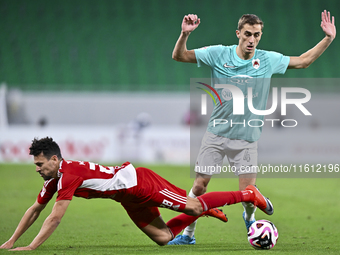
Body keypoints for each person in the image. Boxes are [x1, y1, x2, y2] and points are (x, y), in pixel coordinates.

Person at [168, 10, 336, 245]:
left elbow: (304, 61)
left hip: (247, 138)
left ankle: (250, 222)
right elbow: (179, 56)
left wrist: (328, 38)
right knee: (199, 185)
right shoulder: (219, 54)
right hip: (216, 135)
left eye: (257, 35)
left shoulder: (268, 59)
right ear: (238, 33)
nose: (252, 40)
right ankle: (188, 235)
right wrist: (184, 34)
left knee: (248, 195)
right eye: (247, 34)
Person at [0, 137, 273, 251]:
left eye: (40, 164)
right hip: (126, 198)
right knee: (164, 238)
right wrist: (12, 241)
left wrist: (32, 247)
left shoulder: (68, 175)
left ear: (55, 159)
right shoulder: (54, 178)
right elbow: (35, 209)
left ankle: (248, 194)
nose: (37, 169)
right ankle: (201, 209)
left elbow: (55, 218)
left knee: (192, 207)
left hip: (139, 184)